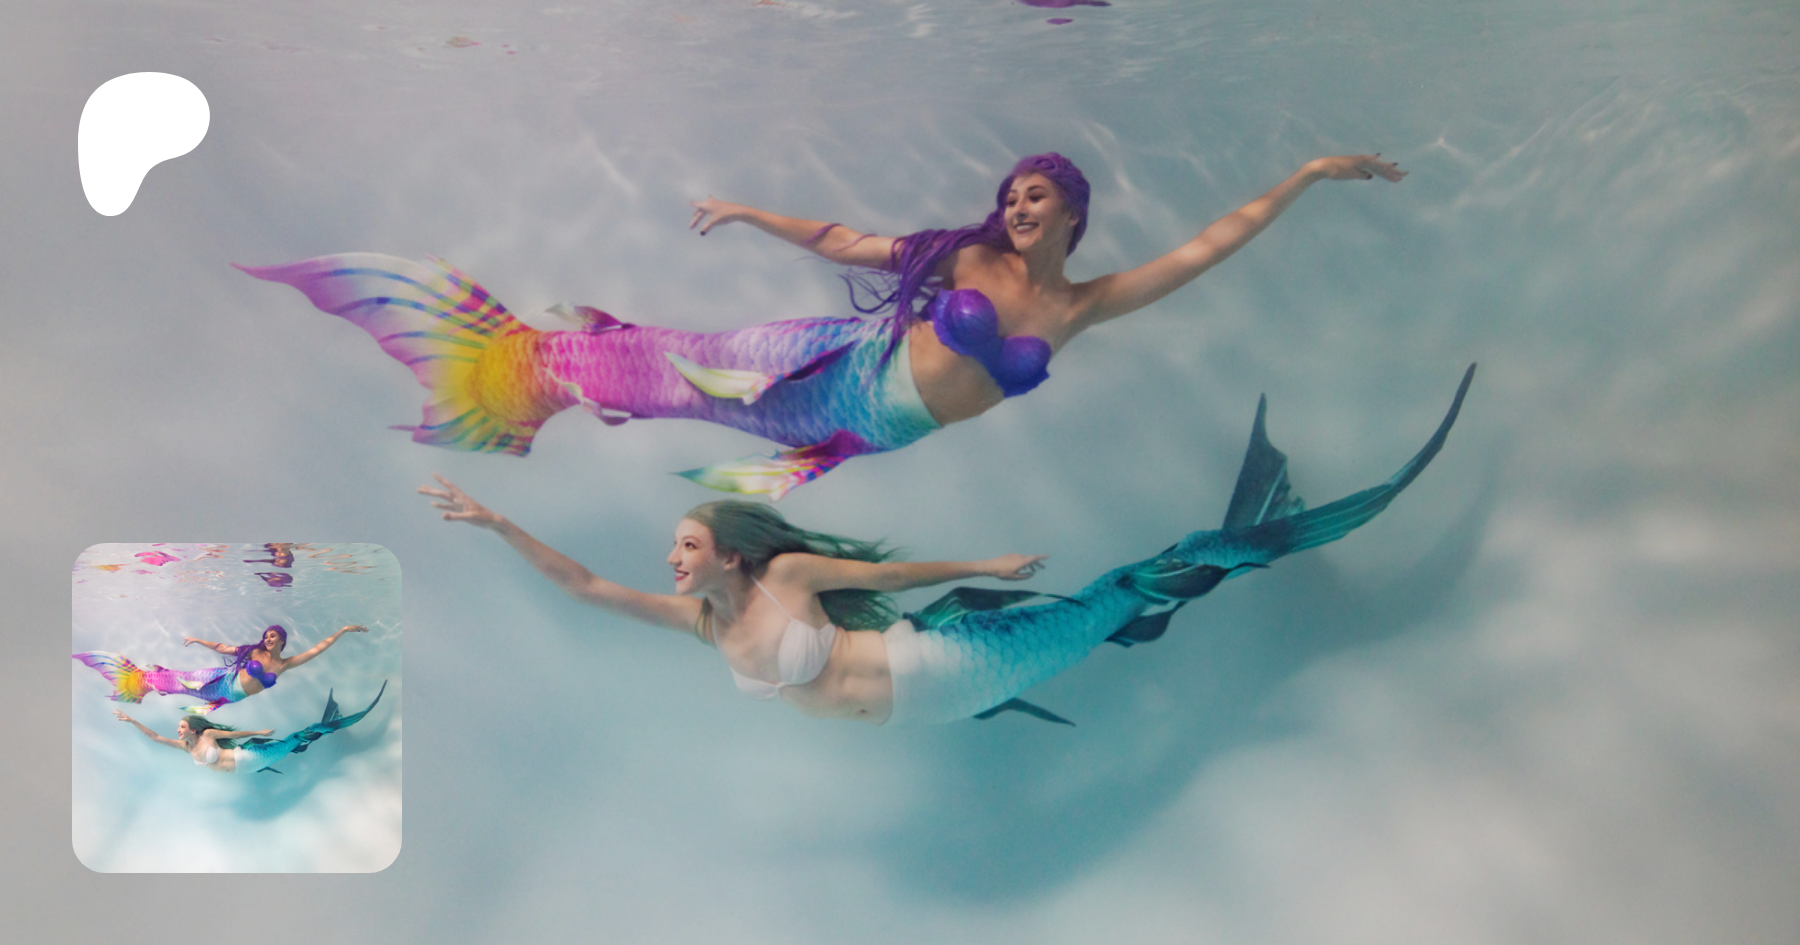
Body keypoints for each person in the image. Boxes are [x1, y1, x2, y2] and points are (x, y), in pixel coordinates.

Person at [240, 152, 1404, 498]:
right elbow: (849, 243)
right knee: (685, 372)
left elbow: (1206, 250)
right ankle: (518, 368)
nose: (1015, 207)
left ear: (1075, 214)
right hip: (831, 361)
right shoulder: (965, 258)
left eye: (1036, 198)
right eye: (1010, 194)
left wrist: (1302, 180)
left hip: (870, 431)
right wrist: (752, 211)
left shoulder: (1081, 304)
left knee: (690, 398)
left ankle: (532, 376)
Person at [416, 365, 1471, 725]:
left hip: (953, 663)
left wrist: (983, 566)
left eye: (687, 543)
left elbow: (883, 575)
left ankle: (1265, 531)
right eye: (675, 549)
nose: (673, 558)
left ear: (732, 552)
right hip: (943, 706)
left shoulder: (785, 576)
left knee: (1122, 593)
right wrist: (499, 523)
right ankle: (1243, 537)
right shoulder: (703, 625)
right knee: (1118, 616)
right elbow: (585, 586)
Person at [74, 623, 369, 715]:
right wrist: (198, 640)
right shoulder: (254, 651)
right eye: (266, 636)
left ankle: (142, 683)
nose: (268, 639)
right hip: (221, 679)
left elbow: (317, 650)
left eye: (273, 636)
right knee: (181, 680)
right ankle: (137, 680)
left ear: (282, 640)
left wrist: (342, 631)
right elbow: (224, 648)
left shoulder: (284, 664)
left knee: (183, 689)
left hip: (229, 697)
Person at [110, 681, 387, 774]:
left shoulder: (207, 735)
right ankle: (329, 722)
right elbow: (155, 737)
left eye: (182, 726)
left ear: (194, 729)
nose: (178, 730)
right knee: (294, 746)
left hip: (251, 758)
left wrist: (259, 733)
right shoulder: (185, 747)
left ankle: (334, 722)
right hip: (248, 768)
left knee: (295, 739)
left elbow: (233, 735)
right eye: (179, 727)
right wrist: (133, 721)